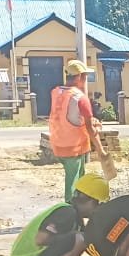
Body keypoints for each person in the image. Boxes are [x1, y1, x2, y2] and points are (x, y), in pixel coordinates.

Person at [5, 174, 109, 256]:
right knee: (79, 239)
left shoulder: (74, 216)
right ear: (92, 201)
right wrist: (72, 239)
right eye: (99, 205)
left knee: (79, 238)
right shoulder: (66, 213)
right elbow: (41, 239)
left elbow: (92, 246)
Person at [49, 60, 116, 203]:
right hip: (73, 146)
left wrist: (91, 121)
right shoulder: (80, 98)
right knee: (73, 184)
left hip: (57, 143)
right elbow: (90, 129)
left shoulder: (56, 92)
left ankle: (80, 207)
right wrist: (100, 150)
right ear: (79, 77)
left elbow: (69, 116)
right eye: (85, 76)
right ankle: (70, 213)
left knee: (80, 180)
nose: (86, 80)